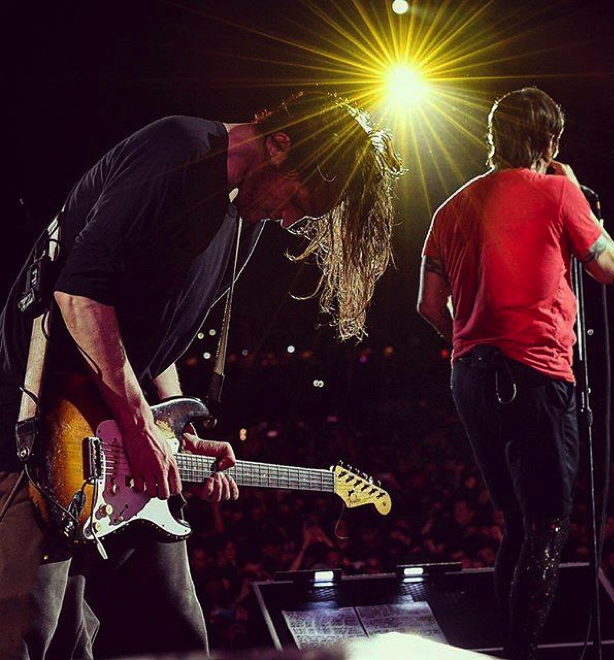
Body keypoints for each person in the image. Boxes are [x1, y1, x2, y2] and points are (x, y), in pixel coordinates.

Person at [0, 91, 402, 658]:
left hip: (120, 435)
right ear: (279, 145)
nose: (289, 219)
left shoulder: (243, 219)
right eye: (297, 200)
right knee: (33, 635)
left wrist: (173, 428)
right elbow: (80, 295)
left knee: (175, 633)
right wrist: (141, 427)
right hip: (42, 426)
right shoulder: (177, 150)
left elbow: (153, 339)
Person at [417, 87, 614, 659]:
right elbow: (608, 267)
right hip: (535, 371)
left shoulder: (450, 207)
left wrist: (471, 338)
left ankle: (504, 649)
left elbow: (428, 306)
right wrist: (577, 194)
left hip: (469, 376)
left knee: (516, 520)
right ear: (549, 140)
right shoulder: (559, 192)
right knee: (547, 525)